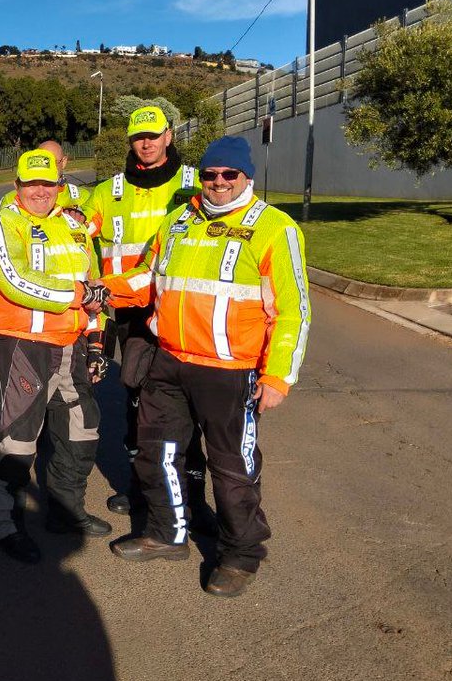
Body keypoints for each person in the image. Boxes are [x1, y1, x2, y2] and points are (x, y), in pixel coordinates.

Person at [97, 136, 311, 596]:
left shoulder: (276, 228)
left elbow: (293, 312)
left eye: (229, 174)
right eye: (211, 174)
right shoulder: (178, 221)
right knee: (156, 453)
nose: (218, 182)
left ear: (246, 178)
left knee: (232, 468)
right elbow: (148, 278)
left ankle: (240, 555)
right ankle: (166, 534)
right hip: (169, 361)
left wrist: (278, 376)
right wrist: (100, 290)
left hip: (231, 371)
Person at [0, 150, 110, 564]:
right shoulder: (3, 225)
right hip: (23, 344)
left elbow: (95, 287)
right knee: (18, 439)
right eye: (31, 183)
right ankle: (3, 521)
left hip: (71, 346)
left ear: (59, 185)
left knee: (81, 429)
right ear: (17, 185)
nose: (40, 191)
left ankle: (65, 511)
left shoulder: (74, 227)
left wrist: (96, 341)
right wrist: (78, 295)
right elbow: (15, 281)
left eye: (47, 184)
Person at [84, 106, 209, 524]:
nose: (146, 143)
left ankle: (193, 493)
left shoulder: (196, 182)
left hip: (183, 309)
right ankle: (141, 486)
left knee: (187, 400)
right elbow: (76, 228)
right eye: (138, 137)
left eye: (153, 135)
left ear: (168, 135)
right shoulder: (108, 191)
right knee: (137, 396)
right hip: (131, 311)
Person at [0, 140, 90, 214]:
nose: (48, 169)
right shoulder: (10, 199)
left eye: (53, 162)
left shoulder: (82, 196)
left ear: (64, 162)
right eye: (44, 162)